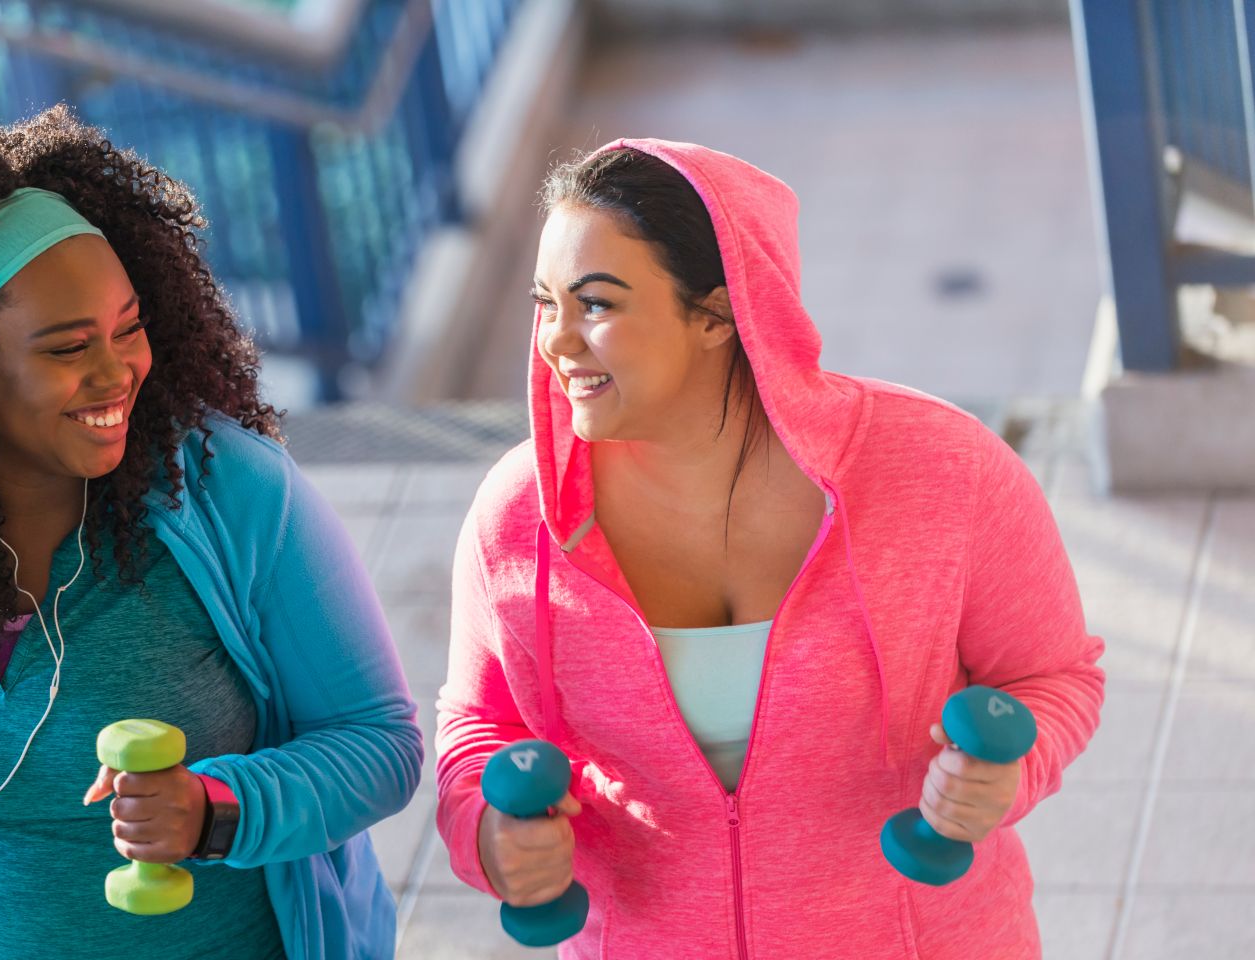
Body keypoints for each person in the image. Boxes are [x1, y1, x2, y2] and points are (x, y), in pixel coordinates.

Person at [0, 106, 421, 960]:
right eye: (69, 348)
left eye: (129, 328)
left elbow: (379, 744)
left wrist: (218, 810)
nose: (117, 373)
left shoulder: (231, 491)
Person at [436, 139, 1104, 958]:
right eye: (546, 303)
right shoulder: (517, 516)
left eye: (597, 304)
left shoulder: (943, 472)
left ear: (717, 312)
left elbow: (1051, 677)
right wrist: (486, 833)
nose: (556, 342)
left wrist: (1008, 775)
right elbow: (478, 723)